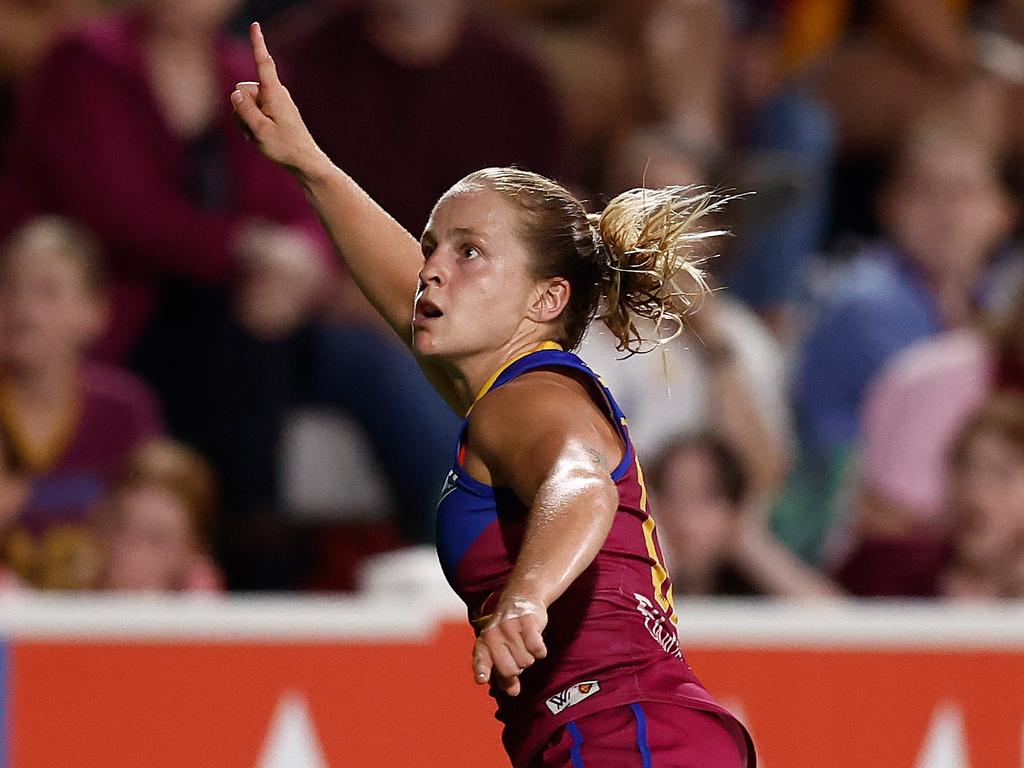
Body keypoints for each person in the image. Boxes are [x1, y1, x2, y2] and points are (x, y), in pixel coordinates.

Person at [231, 22, 753, 767]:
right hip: (635, 734)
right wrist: (311, 165)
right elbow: (401, 289)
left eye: (469, 251)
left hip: (624, 740)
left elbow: (580, 487)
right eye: (434, 245)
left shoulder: (532, 401)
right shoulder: (503, 388)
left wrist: (528, 596)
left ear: (545, 299)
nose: (434, 269)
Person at [0, 217, 162, 590]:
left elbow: (161, 527)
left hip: (99, 622)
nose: (23, 309)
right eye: (9, 288)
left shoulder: (125, 410)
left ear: (95, 312)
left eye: (47, 292)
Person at [648, 433, 838, 598]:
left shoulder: (756, 589)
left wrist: (751, 545)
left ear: (737, 506)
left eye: (706, 496)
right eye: (671, 496)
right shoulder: (629, 587)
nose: (685, 517)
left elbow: (841, 625)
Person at [96, 439, 223, 593]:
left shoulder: (204, 609)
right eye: (120, 526)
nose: (131, 552)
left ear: (194, 549)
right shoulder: (70, 589)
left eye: (156, 538)